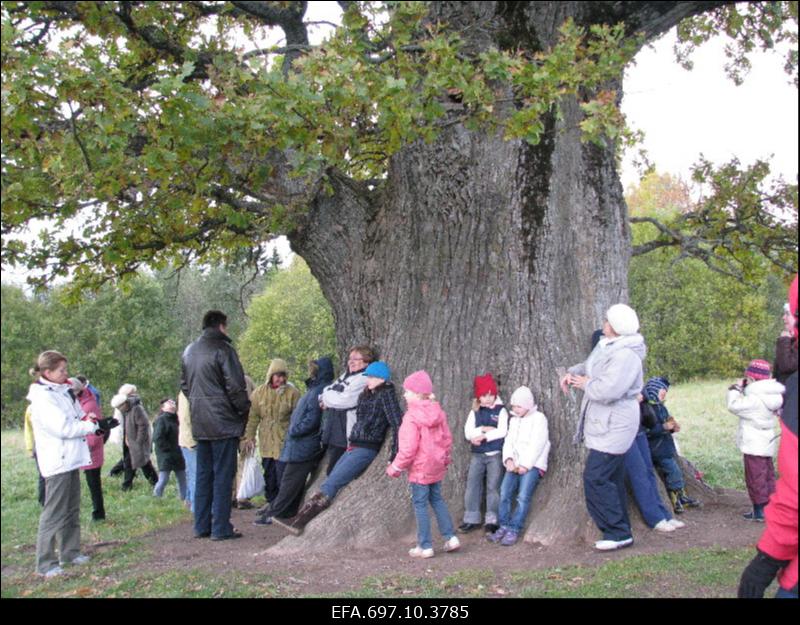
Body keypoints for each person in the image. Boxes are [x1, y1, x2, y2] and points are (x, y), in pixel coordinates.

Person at [275, 360, 402, 536]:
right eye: (367, 377)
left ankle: (300, 521)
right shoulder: (367, 394)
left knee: (333, 483)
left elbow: (397, 423)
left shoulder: (386, 395)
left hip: (367, 447)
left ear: (382, 379)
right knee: (331, 478)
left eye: (372, 377)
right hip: (355, 443)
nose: (368, 380)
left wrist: (395, 451)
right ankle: (299, 519)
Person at [561, 303, 645, 551]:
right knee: (611, 477)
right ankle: (620, 530)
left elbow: (608, 390)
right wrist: (573, 373)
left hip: (616, 422)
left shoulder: (626, 355)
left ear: (617, 328)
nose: (604, 325)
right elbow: (591, 367)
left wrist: (585, 384)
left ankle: (616, 531)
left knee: (596, 477)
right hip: (604, 422)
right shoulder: (607, 345)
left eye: (608, 322)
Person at [27, 351, 114, 577]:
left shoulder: (63, 391)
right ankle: (45, 563)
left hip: (72, 458)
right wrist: (91, 427)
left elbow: (79, 417)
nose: (66, 374)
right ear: (47, 372)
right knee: (54, 513)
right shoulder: (43, 397)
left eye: (66, 369)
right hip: (57, 461)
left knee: (72, 509)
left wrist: (96, 422)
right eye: (61, 370)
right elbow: (63, 428)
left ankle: (70, 552)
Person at [739, 274, 798, 599]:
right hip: (764, 441)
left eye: (791, 312)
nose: (785, 319)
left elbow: (796, 496)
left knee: (759, 479)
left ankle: (759, 507)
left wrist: (765, 562)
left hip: (756, 443)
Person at [181, 310, 251, 541]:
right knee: (223, 475)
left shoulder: (189, 351)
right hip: (223, 422)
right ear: (221, 325)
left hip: (200, 421)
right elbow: (235, 386)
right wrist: (242, 409)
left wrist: (199, 405)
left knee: (203, 475)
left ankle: (201, 525)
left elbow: (185, 386)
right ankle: (221, 527)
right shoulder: (223, 349)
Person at [386, 370, 461, 559]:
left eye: (408, 391)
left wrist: (396, 467)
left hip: (420, 469)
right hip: (437, 465)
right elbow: (447, 439)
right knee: (437, 499)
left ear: (418, 394)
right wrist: (444, 458)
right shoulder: (438, 412)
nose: (404, 394)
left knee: (420, 504)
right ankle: (451, 537)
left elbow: (408, 448)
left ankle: (425, 545)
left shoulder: (411, 417)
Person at [255, 357, 334, 526]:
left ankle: (275, 513)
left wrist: (293, 430)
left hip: (302, 444)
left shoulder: (317, 391)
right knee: (283, 480)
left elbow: (312, 420)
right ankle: (279, 510)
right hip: (291, 444)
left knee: (289, 483)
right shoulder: (314, 389)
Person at [487, 386, 550, 547]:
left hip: (532, 464)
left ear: (528, 405)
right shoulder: (514, 420)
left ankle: (515, 528)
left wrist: (525, 465)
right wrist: (508, 460)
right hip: (513, 464)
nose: (515, 409)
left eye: (519, 406)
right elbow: (509, 441)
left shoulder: (539, 419)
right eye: (513, 406)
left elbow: (538, 443)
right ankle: (503, 525)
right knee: (505, 492)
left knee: (523, 496)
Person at [727, 360, 784, 522]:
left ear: (752, 379)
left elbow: (733, 406)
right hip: (767, 440)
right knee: (767, 475)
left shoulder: (754, 399)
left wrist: (735, 389)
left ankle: (759, 510)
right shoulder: (772, 396)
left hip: (753, 441)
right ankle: (770, 507)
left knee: (755, 477)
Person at [244, 359, 301, 507]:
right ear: (271, 375)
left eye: (283, 376)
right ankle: (271, 504)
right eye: (277, 376)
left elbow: (298, 417)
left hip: (285, 442)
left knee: (283, 475)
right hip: (266, 443)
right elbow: (253, 418)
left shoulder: (292, 393)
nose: (280, 379)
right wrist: (249, 437)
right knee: (269, 475)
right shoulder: (258, 393)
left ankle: (284, 506)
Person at [624, 393, 685, 533]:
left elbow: (644, 392)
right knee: (638, 473)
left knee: (648, 471)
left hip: (638, 426)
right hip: (622, 429)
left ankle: (664, 514)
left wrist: (641, 396)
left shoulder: (629, 372)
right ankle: (654, 518)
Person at [458, 373, 508, 535]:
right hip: (478, 455)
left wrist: (485, 436)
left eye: (490, 395)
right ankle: (471, 517)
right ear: (478, 396)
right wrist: (482, 430)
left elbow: (502, 430)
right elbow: (468, 432)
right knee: (473, 485)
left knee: (493, 486)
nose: (487, 399)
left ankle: (492, 519)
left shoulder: (501, 411)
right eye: (484, 395)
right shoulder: (475, 412)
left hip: (494, 454)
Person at [642, 377, 700, 514]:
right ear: (654, 390)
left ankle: (681, 496)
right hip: (657, 449)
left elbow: (667, 424)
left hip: (666, 447)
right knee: (673, 472)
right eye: (662, 391)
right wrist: (663, 427)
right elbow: (646, 431)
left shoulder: (661, 407)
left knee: (675, 470)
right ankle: (677, 500)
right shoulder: (647, 409)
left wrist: (673, 427)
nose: (664, 394)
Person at [319, 346, 374, 475]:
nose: (351, 362)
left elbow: (345, 400)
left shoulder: (363, 378)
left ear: (366, 362)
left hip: (345, 430)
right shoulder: (346, 375)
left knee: (336, 469)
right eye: (350, 359)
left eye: (355, 359)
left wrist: (327, 399)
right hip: (333, 428)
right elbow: (327, 390)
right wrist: (328, 396)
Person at [71, 377, 108, 521]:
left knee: (94, 485)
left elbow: (95, 429)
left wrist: (87, 447)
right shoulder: (82, 402)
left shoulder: (89, 405)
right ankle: (97, 513)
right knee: (92, 483)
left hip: (91, 452)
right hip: (86, 450)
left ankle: (98, 514)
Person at [110, 387, 158, 490]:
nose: (119, 410)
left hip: (138, 441)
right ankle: (126, 486)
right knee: (128, 463)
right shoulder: (127, 409)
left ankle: (156, 483)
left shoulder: (137, 408)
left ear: (124, 403)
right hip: (129, 441)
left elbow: (144, 425)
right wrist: (126, 437)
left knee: (144, 463)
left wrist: (138, 441)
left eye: (119, 407)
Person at [152, 397, 188, 501]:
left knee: (182, 477)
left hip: (178, 453)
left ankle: (184, 498)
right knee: (164, 478)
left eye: (173, 402)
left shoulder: (178, 419)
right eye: (168, 403)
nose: (172, 404)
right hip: (166, 454)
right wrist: (167, 449)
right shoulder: (161, 420)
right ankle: (156, 497)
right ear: (163, 408)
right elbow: (157, 438)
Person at [177, 390, 196, 511]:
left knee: (191, 473)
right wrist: (192, 441)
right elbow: (185, 418)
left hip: (188, 439)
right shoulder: (186, 392)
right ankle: (196, 506)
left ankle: (189, 499)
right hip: (191, 441)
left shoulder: (187, 391)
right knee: (196, 475)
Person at [24, 403, 46, 506]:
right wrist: (30, 448)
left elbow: (28, 430)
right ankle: (43, 500)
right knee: (43, 474)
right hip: (40, 445)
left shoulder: (31, 408)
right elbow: (28, 429)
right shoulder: (32, 408)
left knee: (44, 474)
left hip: (42, 444)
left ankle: (44, 499)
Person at [774, 302, 798, 386]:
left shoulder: (789, 340)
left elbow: (787, 366)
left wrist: (784, 340)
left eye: (787, 314)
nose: (783, 317)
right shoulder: (792, 340)